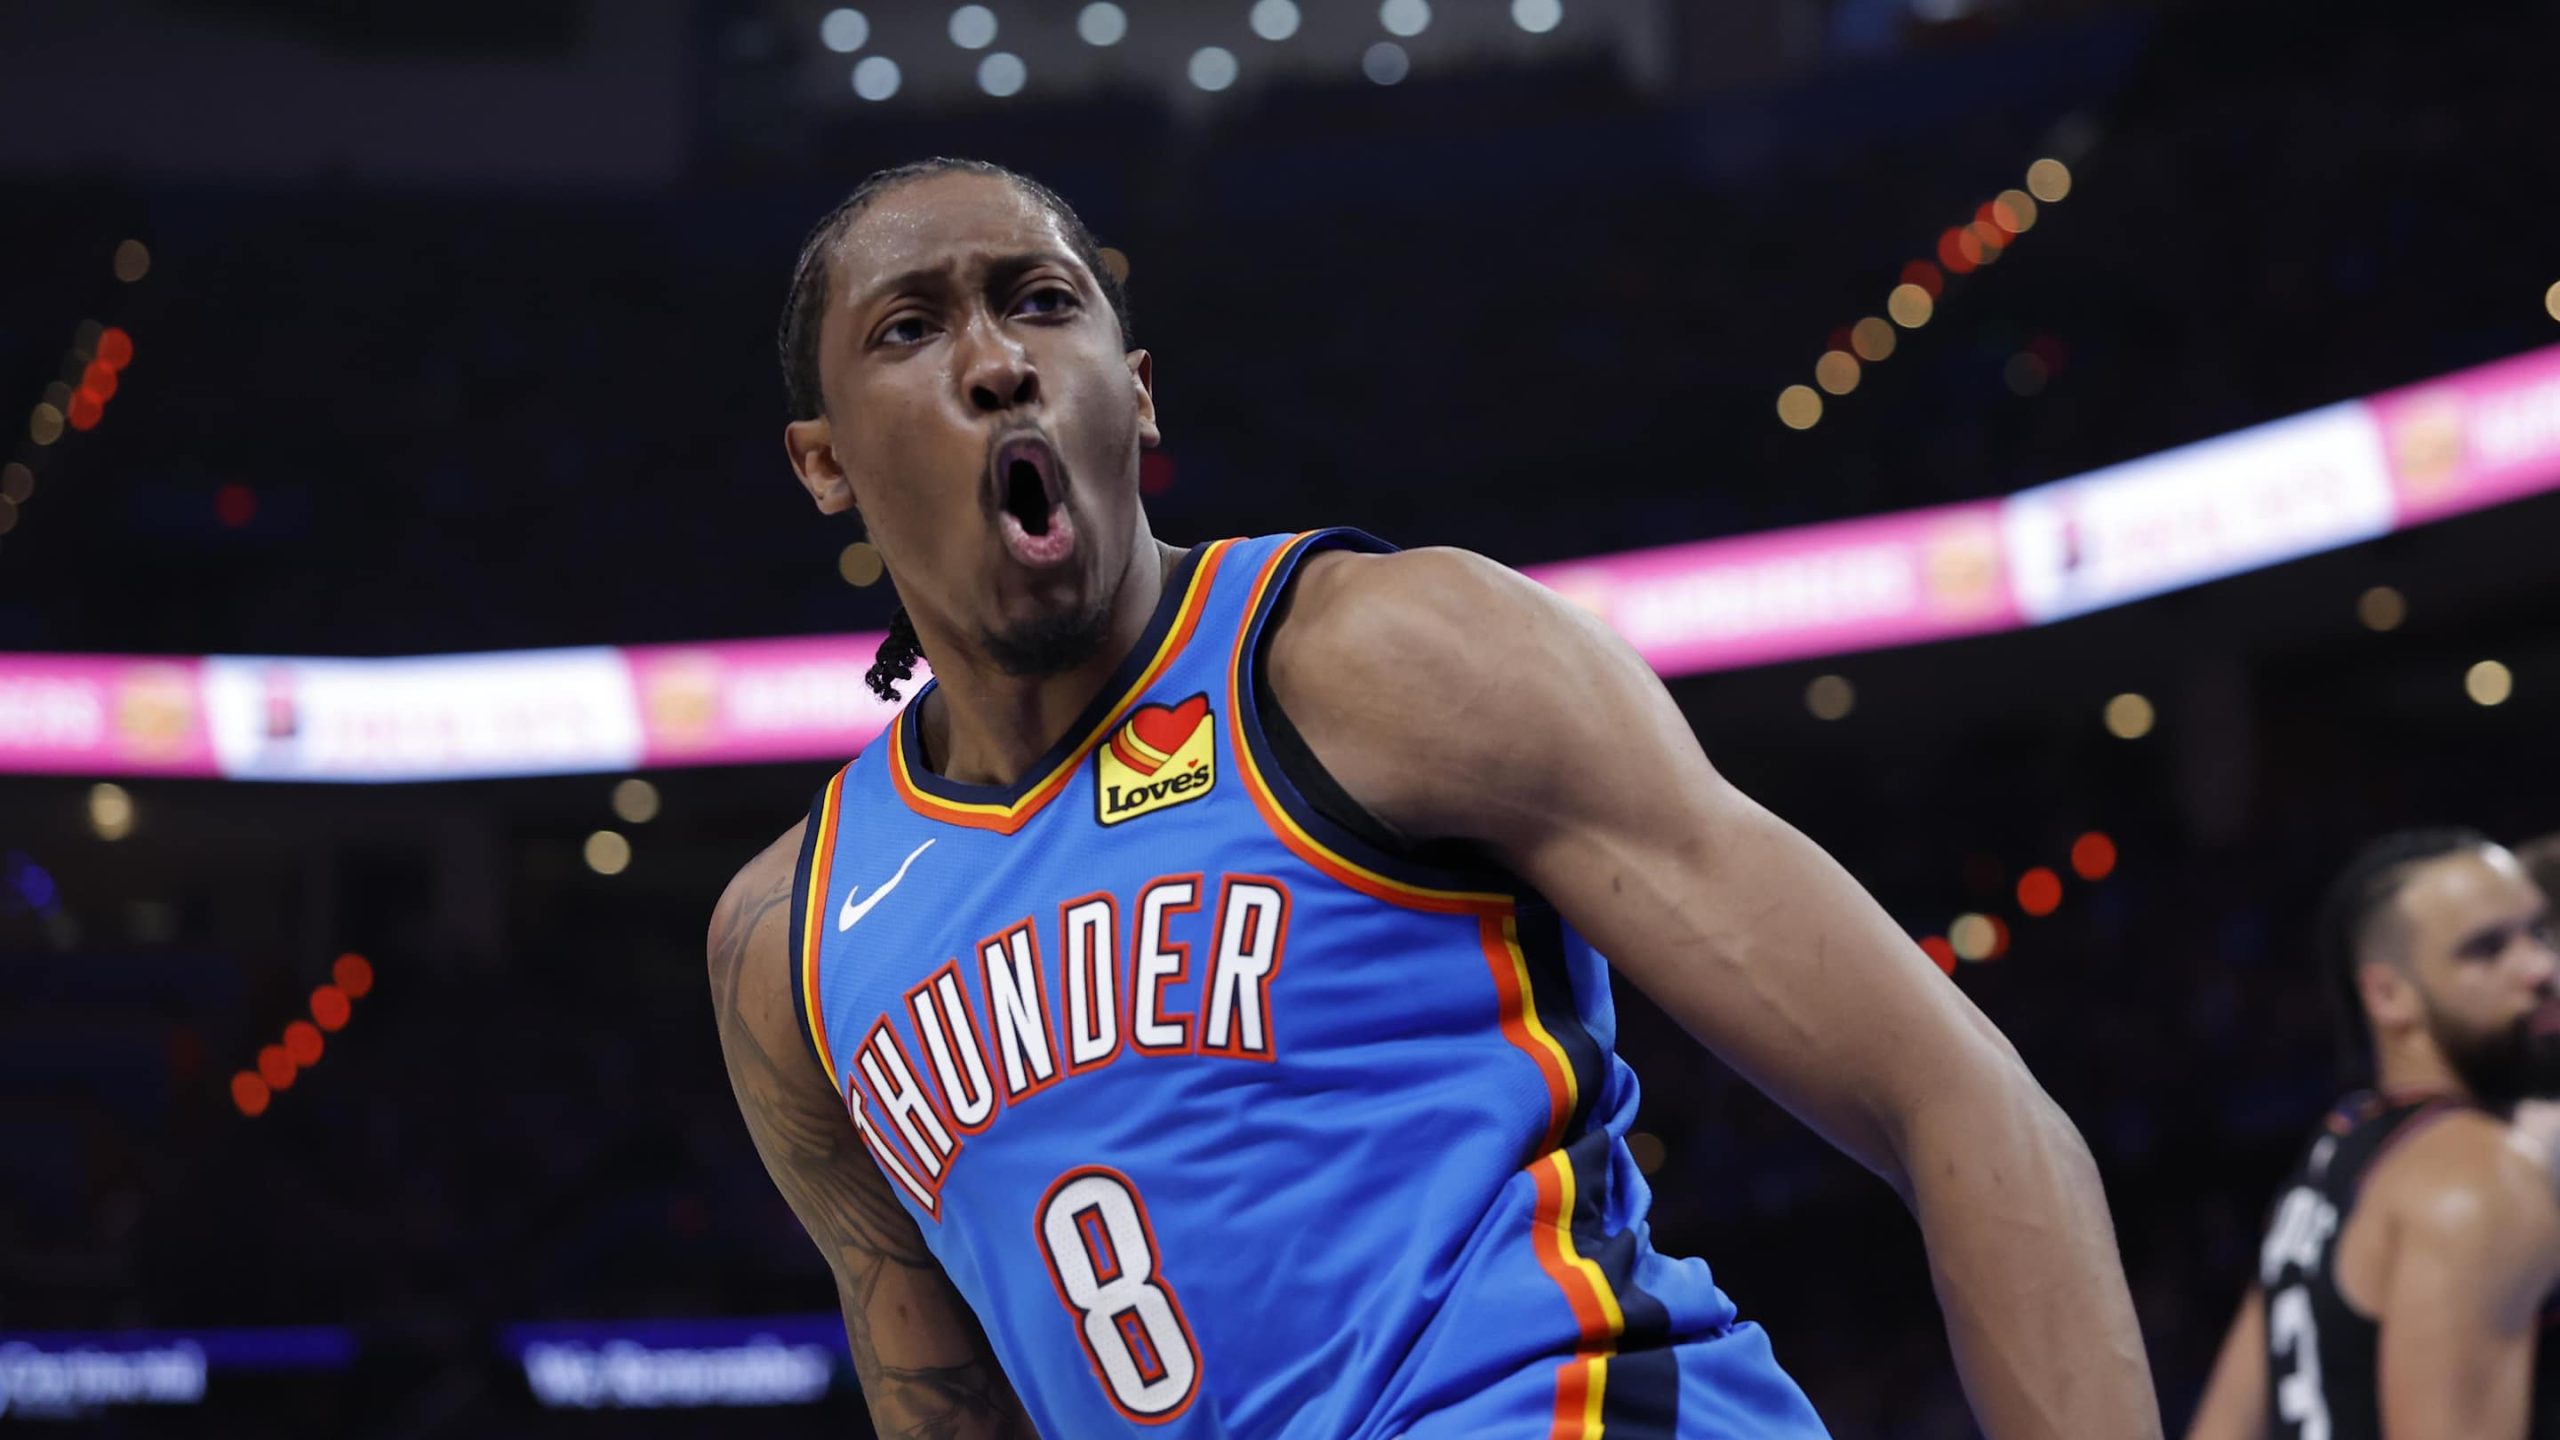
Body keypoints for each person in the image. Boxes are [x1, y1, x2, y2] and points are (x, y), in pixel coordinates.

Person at [706, 157, 2157, 1439]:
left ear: (1134, 391)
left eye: (1041, 302)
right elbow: (944, 1407)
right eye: (911, 327)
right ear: (823, 462)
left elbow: (1956, 1097)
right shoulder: (793, 944)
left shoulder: (1377, 655)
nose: (997, 362)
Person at [2186, 828, 2560, 1440]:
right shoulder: (2481, 1176)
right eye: (2487, 949)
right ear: (2388, 995)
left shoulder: (2341, 1146)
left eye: (2539, 932)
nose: (2542, 969)